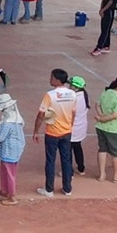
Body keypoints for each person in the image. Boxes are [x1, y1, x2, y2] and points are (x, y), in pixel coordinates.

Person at [32, 68, 78, 197]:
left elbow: (41, 115)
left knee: (50, 161)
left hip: (52, 133)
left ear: (57, 80)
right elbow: (73, 112)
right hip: (66, 132)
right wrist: (70, 125)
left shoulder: (50, 95)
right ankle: (67, 189)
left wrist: (36, 130)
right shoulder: (72, 94)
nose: (50, 79)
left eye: (52, 77)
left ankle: (49, 189)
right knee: (66, 160)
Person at [94, 76, 117, 183]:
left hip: (101, 127)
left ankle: (102, 174)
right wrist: (103, 119)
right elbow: (115, 115)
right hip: (114, 129)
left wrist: (101, 116)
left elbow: (97, 105)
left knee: (102, 149)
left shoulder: (106, 92)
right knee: (116, 153)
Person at [0, 94, 25, 205]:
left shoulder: (7, 123)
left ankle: (12, 196)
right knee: (7, 171)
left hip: (8, 151)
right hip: (14, 150)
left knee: (9, 173)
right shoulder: (17, 119)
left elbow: (0, 137)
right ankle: (6, 190)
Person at [67, 76, 91, 175]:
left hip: (72, 127)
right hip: (81, 126)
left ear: (75, 87)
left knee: (67, 150)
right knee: (77, 147)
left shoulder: (73, 98)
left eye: (71, 85)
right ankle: (81, 168)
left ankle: (69, 171)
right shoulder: (84, 95)